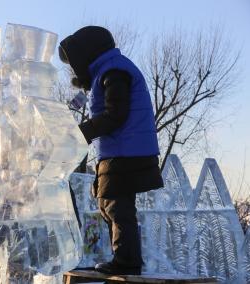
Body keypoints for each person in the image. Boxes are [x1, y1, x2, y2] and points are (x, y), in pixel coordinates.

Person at [59, 26, 164, 275]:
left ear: (87, 54)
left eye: (75, 62)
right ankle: (122, 258)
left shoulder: (114, 71)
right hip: (118, 151)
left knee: (118, 206)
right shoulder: (104, 73)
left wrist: (82, 133)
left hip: (128, 151)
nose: (73, 70)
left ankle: (127, 262)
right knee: (107, 204)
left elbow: (116, 114)